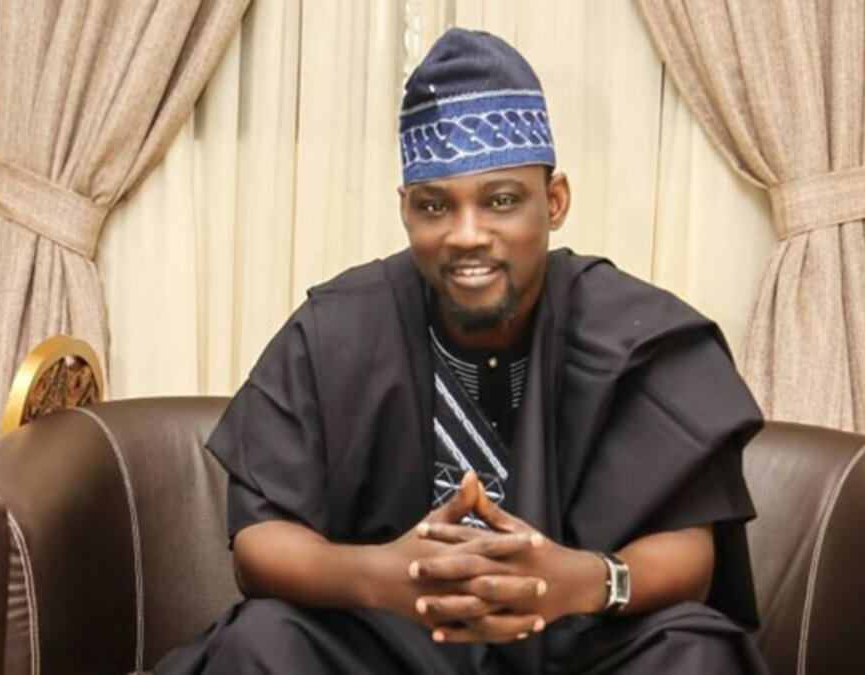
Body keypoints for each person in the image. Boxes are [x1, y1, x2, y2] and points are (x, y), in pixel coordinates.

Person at [156, 28, 770, 675]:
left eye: (501, 201)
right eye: (435, 206)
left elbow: (689, 548)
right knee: (263, 636)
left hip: (576, 638)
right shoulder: (336, 327)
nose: (467, 234)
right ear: (405, 210)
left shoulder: (636, 332)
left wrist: (580, 580)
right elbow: (261, 540)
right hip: (391, 640)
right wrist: (382, 574)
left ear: (554, 201)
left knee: (695, 648)